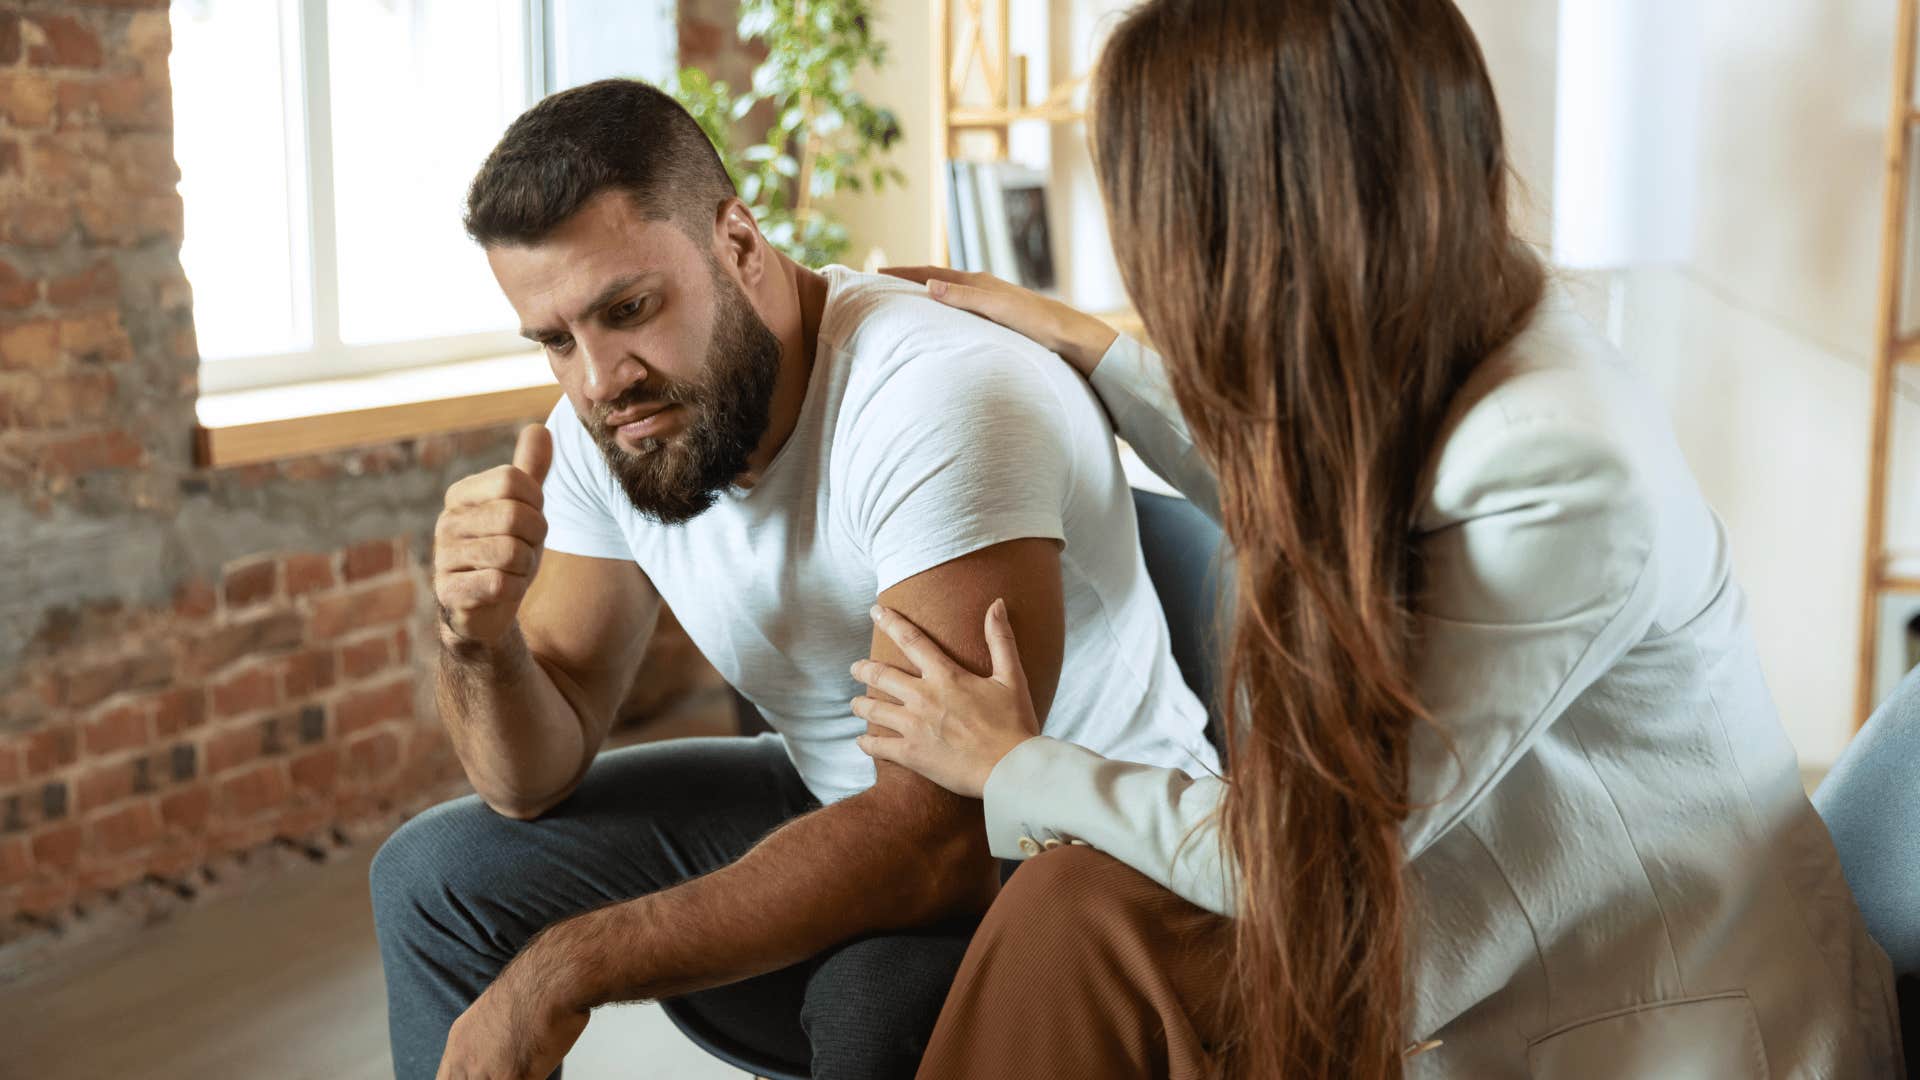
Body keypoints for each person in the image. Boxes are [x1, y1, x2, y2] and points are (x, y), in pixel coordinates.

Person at [847, 1, 1903, 1077]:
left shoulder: (1560, 469)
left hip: (1667, 1027)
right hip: (1476, 934)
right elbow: (1350, 506)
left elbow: (1307, 861)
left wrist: (1013, 763)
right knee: (1078, 916)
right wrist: (1097, 355)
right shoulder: (1466, 330)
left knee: (1081, 922)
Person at [367, 78, 1217, 1080]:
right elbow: (527, 779)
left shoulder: (932, 397)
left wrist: (570, 966)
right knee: (433, 877)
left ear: (738, 241)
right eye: (556, 341)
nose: (598, 381)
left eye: (628, 309)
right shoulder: (604, 429)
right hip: (849, 800)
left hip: (1072, 847)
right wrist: (480, 639)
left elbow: (934, 841)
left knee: (869, 1006)